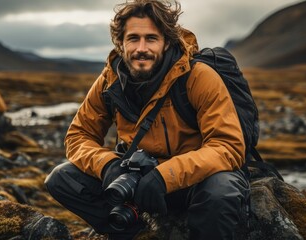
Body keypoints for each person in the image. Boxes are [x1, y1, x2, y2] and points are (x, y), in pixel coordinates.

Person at [45, 0, 250, 239]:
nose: (142, 48)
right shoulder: (110, 80)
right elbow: (78, 136)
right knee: (61, 178)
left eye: (151, 38)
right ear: (120, 43)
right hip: (137, 183)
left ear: (166, 42)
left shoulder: (198, 77)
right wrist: (109, 166)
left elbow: (228, 146)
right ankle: (134, 233)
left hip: (192, 181)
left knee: (220, 190)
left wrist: (165, 176)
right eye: (133, 38)